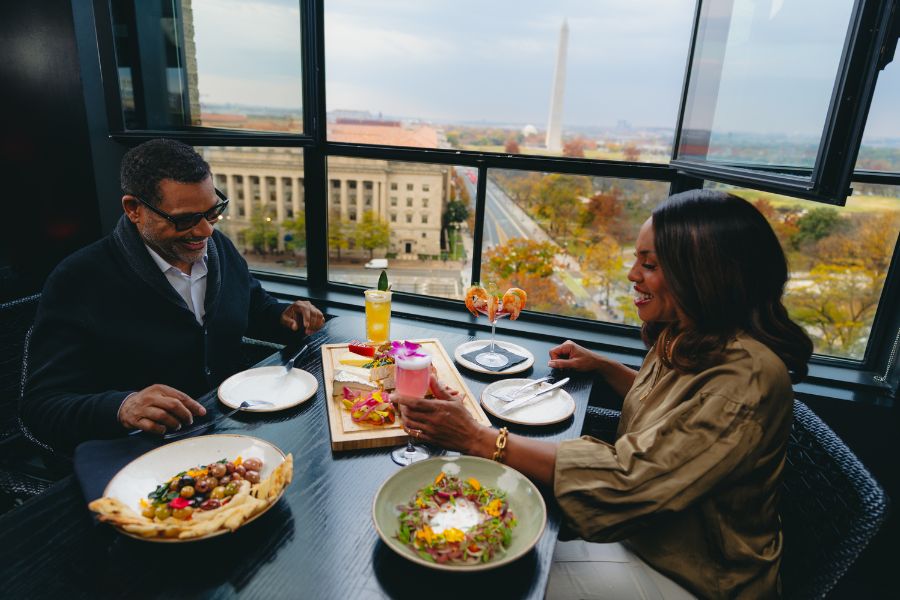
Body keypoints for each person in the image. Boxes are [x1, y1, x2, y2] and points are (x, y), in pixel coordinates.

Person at [397, 190, 813, 599]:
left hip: (695, 575)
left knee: (496, 576)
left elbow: (628, 483)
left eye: (649, 264)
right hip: (650, 538)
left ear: (704, 274)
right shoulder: (698, 334)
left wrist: (477, 438)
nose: (633, 274)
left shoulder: (745, 381)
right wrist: (603, 367)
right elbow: (679, 422)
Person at [20, 139, 324, 452]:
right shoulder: (79, 280)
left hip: (235, 434)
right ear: (134, 209)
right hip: (142, 455)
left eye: (212, 212)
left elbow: (253, 306)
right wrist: (122, 408)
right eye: (185, 219)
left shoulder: (220, 249)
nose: (205, 231)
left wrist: (282, 316)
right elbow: (41, 408)